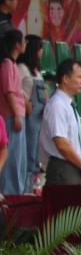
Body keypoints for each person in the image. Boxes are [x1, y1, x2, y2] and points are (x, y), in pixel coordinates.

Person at [38, 59, 81, 185]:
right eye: (79, 77)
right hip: (62, 168)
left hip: (72, 166)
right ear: (66, 79)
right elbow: (62, 144)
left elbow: (74, 140)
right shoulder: (57, 105)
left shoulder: (68, 105)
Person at [0, 29, 26, 195]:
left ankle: (17, 192)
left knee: (19, 158)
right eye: (23, 41)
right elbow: (8, 92)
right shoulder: (7, 65)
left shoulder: (13, 65)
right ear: (17, 44)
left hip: (17, 115)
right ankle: (10, 194)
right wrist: (16, 114)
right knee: (12, 159)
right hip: (11, 116)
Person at [17, 35, 44, 193]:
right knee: (29, 151)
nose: (42, 53)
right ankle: (26, 187)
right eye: (40, 49)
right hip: (29, 115)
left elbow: (43, 92)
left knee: (36, 152)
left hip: (39, 115)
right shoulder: (22, 68)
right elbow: (16, 89)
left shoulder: (36, 70)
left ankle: (35, 185)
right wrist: (24, 101)